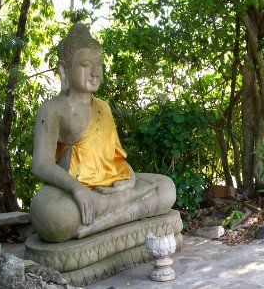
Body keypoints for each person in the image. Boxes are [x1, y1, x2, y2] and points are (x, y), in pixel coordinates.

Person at [29, 23, 176, 243]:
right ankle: (122, 213)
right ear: (64, 69)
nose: (96, 72)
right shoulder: (52, 110)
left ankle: (101, 220)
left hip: (110, 189)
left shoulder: (103, 107)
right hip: (72, 189)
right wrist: (78, 191)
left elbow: (115, 158)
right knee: (55, 218)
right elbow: (41, 164)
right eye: (86, 65)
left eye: (99, 65)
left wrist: (130, 179)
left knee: (166, 188)